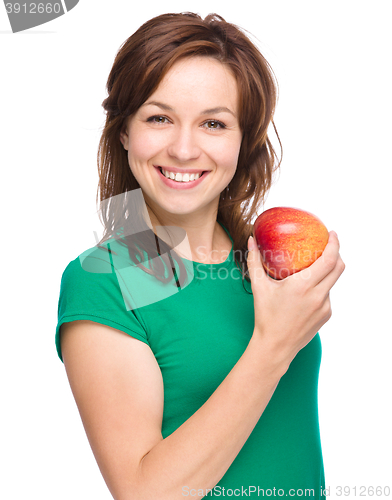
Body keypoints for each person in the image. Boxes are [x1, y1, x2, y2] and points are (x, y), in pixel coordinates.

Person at [55, 12, 345, 500]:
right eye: (159, 117)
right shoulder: (111, 276)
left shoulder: (260, 263)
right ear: (124, 131)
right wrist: (273, 345)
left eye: (213, 123)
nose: (185, 148)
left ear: (242, 140)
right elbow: (145, 493)